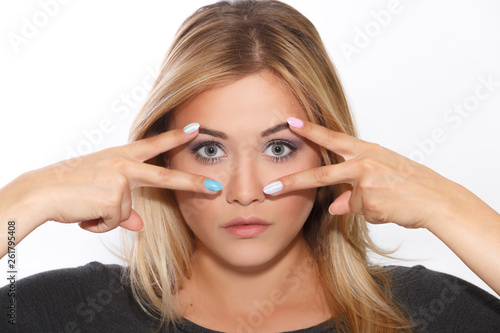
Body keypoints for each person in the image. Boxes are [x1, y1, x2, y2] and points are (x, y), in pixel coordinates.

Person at [1, 0, 499, 332]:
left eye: (279, 148)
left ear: (330, 155)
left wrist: (449, 207)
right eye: (210, 149)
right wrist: (26, 199)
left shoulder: (431, 313)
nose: (245, 191)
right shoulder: (59, 312)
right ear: (160, 155)